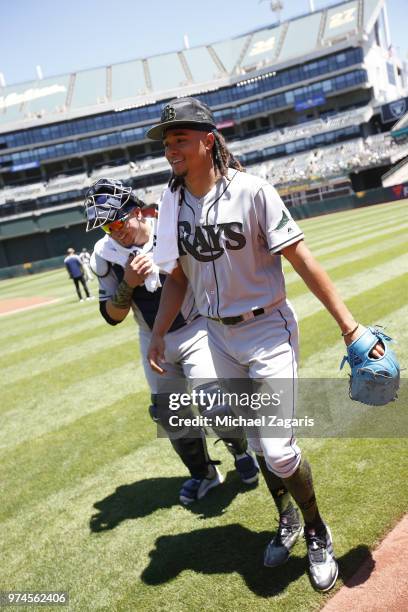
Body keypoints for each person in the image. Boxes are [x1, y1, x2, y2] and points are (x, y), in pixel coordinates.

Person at [146, 97, 384, 592]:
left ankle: (317, 530)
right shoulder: (171, 201)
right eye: (167, 143)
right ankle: (287, 519)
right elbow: (176, 278)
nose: (171, 149)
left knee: (277, 450)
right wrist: (163, 332)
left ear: (208, 140)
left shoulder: (253, 191)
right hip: (215, 335)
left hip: (266, 329)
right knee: (253, 442)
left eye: (180, 140)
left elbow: (300, 256)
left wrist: (350, 327)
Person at [83, 178, 259, 505]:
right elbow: (112, 316)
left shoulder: (170, 229)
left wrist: (167, 269)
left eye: (118, 221)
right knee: (168, 412)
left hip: (194, 328)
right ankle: (204, 473)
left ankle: (240, 450)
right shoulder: (105, 255)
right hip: (152, 338)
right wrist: (130, 284)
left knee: (215, 403)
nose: (115, 231)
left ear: (136, 211)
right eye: (107, 227)